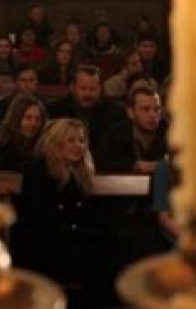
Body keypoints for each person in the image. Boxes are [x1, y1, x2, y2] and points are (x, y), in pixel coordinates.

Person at [15, 119, 119, 303]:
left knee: (117, 249)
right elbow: (45, 225)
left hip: (67, 242)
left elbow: (83, 217)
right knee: (104, 260)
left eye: (81, 140)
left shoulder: (77, 172)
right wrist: (94, 236)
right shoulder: (39, 169)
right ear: (55, 143)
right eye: (71, 140)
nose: (78, 145)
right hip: (44, 249)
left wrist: (101, 233)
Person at [48, 65, 124, 148]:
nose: (88, 94)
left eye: (93, 89)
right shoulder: (55, 111)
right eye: (83, 89)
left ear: (100, 89)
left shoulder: (114, 113)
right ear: (72, 87)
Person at [95, 87, 168, 173]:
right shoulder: (114, 136)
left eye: (157, 109)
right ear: (130, 113)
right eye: (145, 109)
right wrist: (133, 166)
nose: (153, 115)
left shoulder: (173, 134)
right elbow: (99, 166)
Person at [0, 94, 48, 172]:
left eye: (38, 119)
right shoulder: (2, 147)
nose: (34, 123)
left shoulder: (43, 148)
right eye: (28, 118)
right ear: (16, 118)